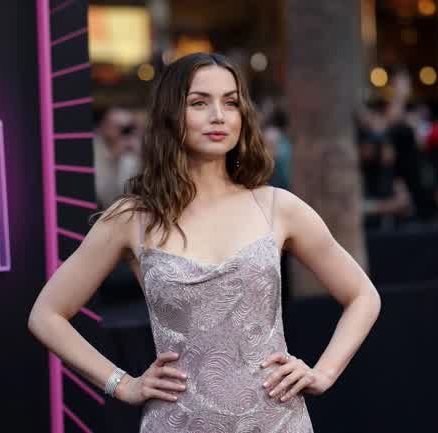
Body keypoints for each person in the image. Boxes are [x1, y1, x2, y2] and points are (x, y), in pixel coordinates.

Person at [28, 52, 381, 432]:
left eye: (231, 102)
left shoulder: (277, 207)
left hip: (277, 421)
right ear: (170, 114)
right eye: (199, 103)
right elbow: (46, 315)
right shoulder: (133, 217)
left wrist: (323, 373)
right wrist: (123, 384)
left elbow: (363, 295)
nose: (218, 116)